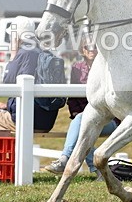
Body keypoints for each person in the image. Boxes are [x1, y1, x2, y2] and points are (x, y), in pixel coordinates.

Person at [0, 16, 59, 133]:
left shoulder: (24, 53)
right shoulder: (42, 52)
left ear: (16, 35)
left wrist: (13, 56)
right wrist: (8, 106)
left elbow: (8, 85)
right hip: (46, 122)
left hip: (25, 120)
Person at [44, 39, 118, 177]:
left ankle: (64, 159)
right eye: (87, 47)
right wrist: (78, 113)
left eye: (95, 46)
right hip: (83, 117)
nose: (91, 49)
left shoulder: (108, 68)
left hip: (109, 119)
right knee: (82, 124)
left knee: (82, 124)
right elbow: (72, 98)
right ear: (82, 50)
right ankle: (97, 170)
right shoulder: (77, 68)